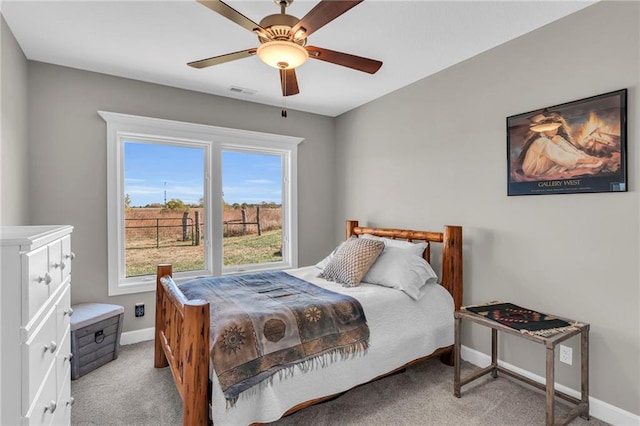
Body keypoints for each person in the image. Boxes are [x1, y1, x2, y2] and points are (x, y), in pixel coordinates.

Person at [516, 112, 603, 179]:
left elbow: (570, 150)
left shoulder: (554, 138)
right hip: (535, 169)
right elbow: (559, 156)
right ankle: (581, 162)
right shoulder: (541, 142)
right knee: (578, 164)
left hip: (551, 163)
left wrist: (584, 157)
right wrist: (582, 160)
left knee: (558, 140)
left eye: (555, 127)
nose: (554, 130)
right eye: (551, 128)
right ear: (542, 130)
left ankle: (582, 160)